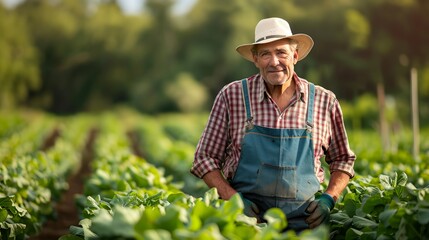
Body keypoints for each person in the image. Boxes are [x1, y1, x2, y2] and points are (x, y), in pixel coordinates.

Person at [191, 17, 356, 231]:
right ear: (255, 58)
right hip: (247, 223)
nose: (274, 61)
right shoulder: (232, 96)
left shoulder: (325, 101)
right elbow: (204, 158)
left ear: (295, 56)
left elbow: (343, 159)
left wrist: (329, 198)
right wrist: (233, 199)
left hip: (306, 225)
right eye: (265, 54)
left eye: (281, 52)